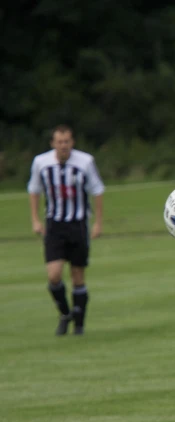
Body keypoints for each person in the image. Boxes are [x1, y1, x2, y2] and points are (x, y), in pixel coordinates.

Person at [28, 124, 104, 336]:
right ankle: (64, 313)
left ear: (72, 142)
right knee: (54, 275)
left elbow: (97, 190)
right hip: (54, 224)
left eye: (67, 141)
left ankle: (79, 324)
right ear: (53, 143)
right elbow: (33, 190)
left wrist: (98, 222)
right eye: (59, 142)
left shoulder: (85, 161)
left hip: (78, 224)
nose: (63, 146)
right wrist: (35, 219)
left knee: (78, 275)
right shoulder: (41, 162)